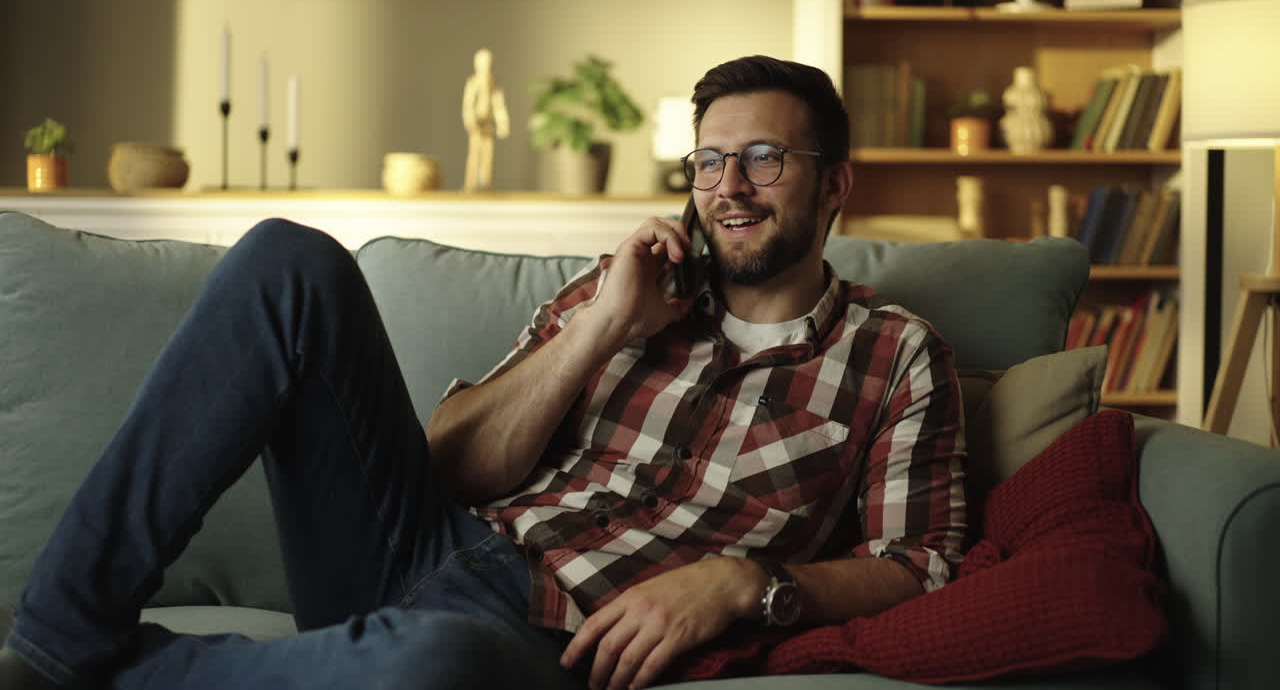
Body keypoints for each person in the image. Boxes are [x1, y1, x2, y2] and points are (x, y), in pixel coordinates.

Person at [0, 55, 965, 690]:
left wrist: (740, 582)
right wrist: (601, 327)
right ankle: (62, 624)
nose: (728, 189)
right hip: (424, 548)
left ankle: (73, 666)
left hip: (542, 645)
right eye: (708, 163)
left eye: (762, 158)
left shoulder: (896, 355)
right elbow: (446, 467)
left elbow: (917, 567)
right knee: (288, 260)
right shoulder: (627, 285)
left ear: (836, 182)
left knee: (436, 663)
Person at [462, 47, 509, 191]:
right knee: (475, 154)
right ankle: (471, 182)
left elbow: (499, 106)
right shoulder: (473, 83)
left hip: (488, 124)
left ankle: (486, 183)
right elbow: (468, 104)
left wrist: (503, 123)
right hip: (477, 124)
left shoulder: (493, 85)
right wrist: (470, 120)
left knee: (488, 155)